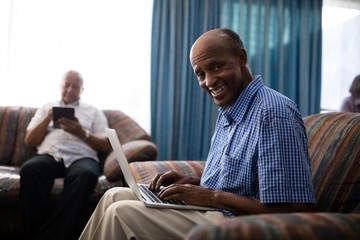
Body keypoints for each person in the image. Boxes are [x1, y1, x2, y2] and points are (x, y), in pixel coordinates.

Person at [79, 28, 316, 240]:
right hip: (216, 210)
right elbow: (237, 184)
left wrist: (211, 196)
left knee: (121, 213)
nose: (209, 81)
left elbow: (295, 210)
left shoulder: (273, 113)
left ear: (241, 58)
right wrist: (192, 184)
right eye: (200, 74)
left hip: (237, 223)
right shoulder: (229, 110)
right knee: (115, 196)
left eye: (216, 66)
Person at [20, 70, 111, 240]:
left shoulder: (93, 111)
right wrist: (47, 118)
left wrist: (81, 133)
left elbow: (105, 145)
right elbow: (29, 141)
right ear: (60, 86)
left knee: (86, 174)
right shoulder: (46, 107)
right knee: (29, 170)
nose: (69, 90)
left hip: (82, 157)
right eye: (66, 85)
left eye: (75, 86)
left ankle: (48, 236)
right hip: (50, 155)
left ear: (82, 90)